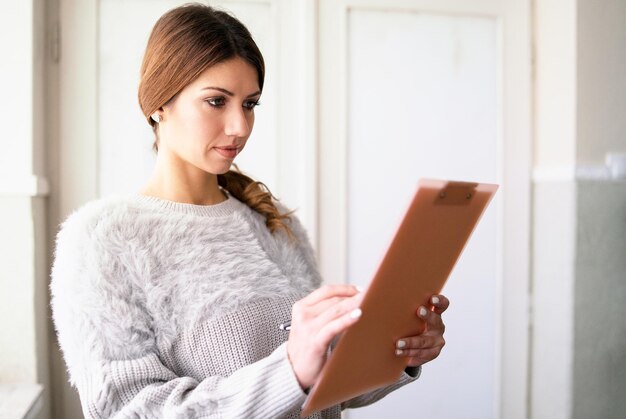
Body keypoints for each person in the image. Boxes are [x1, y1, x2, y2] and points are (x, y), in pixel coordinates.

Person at [50, 3, 449, 418]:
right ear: (158, 104)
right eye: (217, 101)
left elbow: (326, 383)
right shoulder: (103, 241)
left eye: (250, 104)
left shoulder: (271, 220)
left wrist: (400, 350)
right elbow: (128, 410)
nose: (240, 127)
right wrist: (289, 372)